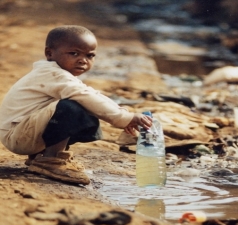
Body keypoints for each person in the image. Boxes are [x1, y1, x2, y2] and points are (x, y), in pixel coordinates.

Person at [0, 25, 152, 185]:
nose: (83, 60)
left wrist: (124, 114)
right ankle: (51, 161)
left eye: (90, 55)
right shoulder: (51, 74)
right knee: (72, 107)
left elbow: (91, 94)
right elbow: (85, 96)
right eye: (74, 53)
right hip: (17, 136)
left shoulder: (59, 75)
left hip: (24, 133)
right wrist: (124, 118)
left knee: (85, 105)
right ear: (49, 53)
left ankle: (40, 157)